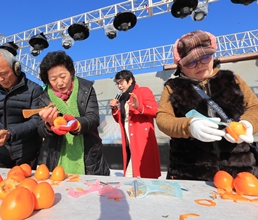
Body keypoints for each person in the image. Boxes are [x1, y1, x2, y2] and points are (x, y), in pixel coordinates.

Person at [156, 30, 258, 181]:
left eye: (205, 57)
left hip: (240, 169)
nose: (199, 65)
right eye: (191, 62)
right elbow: (163, 118)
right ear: (180, 66)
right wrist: (188, 126)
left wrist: (248, 123)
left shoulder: (233, 79)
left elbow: (254, 107)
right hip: (190, 171)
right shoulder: (173, 87)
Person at [37, 50, 110, 176]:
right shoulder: (44, 97)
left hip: (89, 153)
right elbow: (39, 129)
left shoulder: (86, 89)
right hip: (57, 154)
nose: (59, 83)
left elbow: (93, 118)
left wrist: (76, 124)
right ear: (47, 80)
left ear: (71, 73)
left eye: (63, 76)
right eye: (53, 79)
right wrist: (48, 125)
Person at [109, 70, 161, 178]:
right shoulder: (123, 98)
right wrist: (114, 109)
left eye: (121, 82)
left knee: (135, 176)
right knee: (136, 177)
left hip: (142, 140)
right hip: (129, 141)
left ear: (130, 80)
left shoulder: (143, 91)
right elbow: (122, 120)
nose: (119, 86)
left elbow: (156, 111)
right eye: (117, 83)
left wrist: (139, 107)